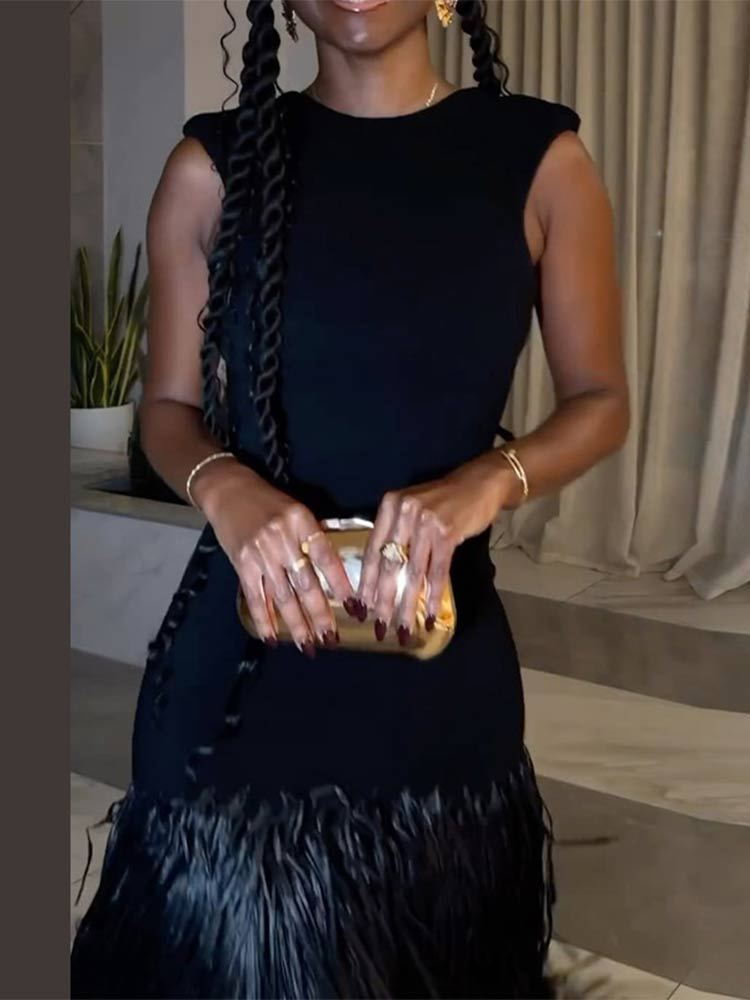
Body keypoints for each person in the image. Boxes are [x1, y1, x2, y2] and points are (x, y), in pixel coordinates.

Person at [70, 0, 628, 996]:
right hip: (237, 677)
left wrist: (486, 481)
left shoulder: (541, 162)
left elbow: (601, 401)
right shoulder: (211, 168)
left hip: (436, 662)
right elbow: (166, 408)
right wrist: (226, 485)